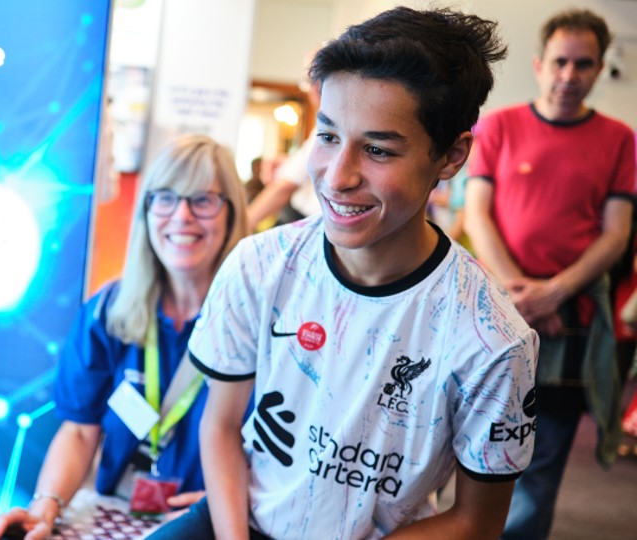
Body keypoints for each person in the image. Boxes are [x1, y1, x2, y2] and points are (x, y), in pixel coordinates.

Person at [150, 7, 537, 540]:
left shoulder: (492, 339)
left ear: (451, 156)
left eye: (377, 149)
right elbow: (219, 426)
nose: (337, 176)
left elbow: (477, 521)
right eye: (328, 136)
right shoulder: (259, 264)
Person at [0, 134, 250, 540]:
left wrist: (220, 505)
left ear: (231, 213)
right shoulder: (108, 311)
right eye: (165, 198)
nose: (182, 216)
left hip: (209, 523)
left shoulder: (259, 324)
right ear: (146, 210)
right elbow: (79, 430)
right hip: (114, 511)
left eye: (203, 200)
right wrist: (45, 506)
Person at [463, 8, 636, 539]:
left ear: (599, 68)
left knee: (539, 462)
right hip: (494, 307)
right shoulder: (497, 125)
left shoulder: (620, 140)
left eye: (583, 64)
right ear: (540, 65)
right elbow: (477, 214)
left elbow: (616, 233)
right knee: (466, 444)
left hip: (572, 318)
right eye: (560, 62)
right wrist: (520, 294)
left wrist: (554, 294)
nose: (569, 75)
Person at [246, 81, 322, 229]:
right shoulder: (319, 128)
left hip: (304, 221)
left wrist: (243, 225)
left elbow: (284, 187)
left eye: (310, 82)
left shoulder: (324, 128)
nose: (311, 91)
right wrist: (288, 163)